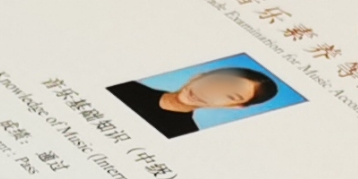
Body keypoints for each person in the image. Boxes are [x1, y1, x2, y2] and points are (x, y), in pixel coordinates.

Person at [107, 64, 282, 138]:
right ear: (198, 77)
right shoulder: (123, 87)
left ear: (236, 106)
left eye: (229, 95)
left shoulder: (181, 134)